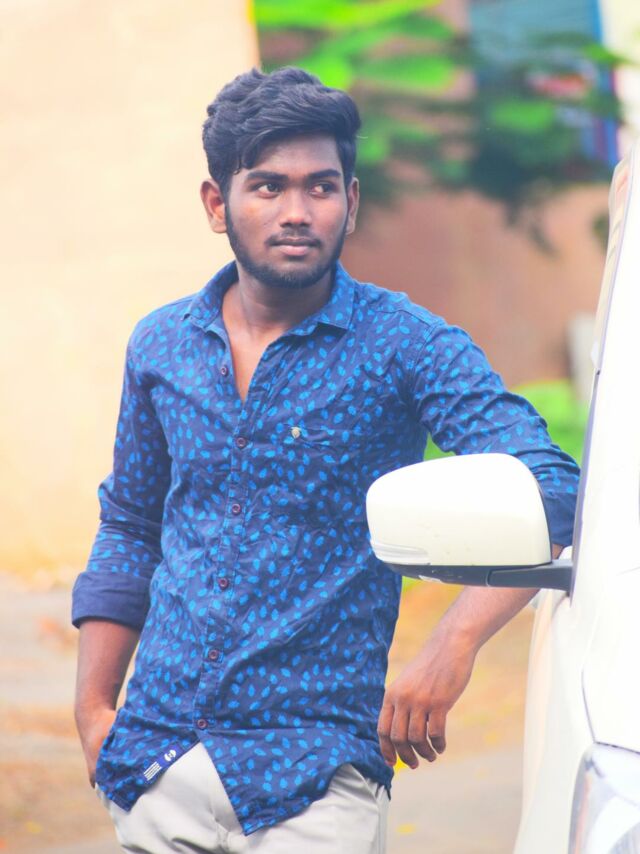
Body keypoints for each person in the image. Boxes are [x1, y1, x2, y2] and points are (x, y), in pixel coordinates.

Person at [72, 66, 579, 853]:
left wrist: (453, 642)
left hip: (313, 782)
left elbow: (552, 491)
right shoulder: (161, 345)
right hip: (157, 764)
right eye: (268, 186)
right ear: (218, 204)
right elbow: (132, 527)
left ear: (352, 201)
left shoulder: (405, 344)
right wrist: (93, 712)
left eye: (321, 186)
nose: (297, 211)